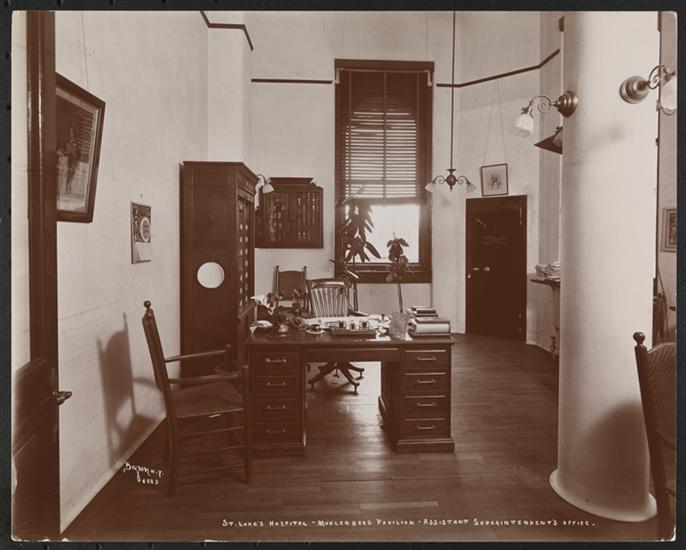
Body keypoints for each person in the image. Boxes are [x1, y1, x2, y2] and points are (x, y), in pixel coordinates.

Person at [57, 124, 80, 196]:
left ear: (74, 133)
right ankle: (63, 193)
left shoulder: (76, 144)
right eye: (69, 131)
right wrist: (61, 152)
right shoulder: (66, 142)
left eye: (72, 132)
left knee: (70, 179)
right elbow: (63, 150)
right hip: (66, 163)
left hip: (73, 163)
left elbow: (75, 153)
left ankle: (67, 194)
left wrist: (66, 153)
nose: (70, 133)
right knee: (64, 178)